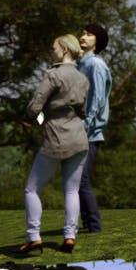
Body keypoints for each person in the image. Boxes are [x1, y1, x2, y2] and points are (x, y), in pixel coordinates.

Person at [19, 34, 91, 255]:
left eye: (53, 48)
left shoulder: (53, 75)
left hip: (55, 139)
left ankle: (34, 237)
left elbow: (34, 109)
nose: (51, 52)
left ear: (64, 49)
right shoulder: (82, 79)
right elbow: (82, 112)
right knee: (71, 191)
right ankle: (69, 237)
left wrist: (34, 120)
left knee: (32, 189)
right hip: (79, 138)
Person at [77, 22, 112, 234]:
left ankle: (94, 227)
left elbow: (97, 100)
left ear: (97, 41)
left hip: (89, 133)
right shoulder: (79, 65)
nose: (83, 36)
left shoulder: (96, 65)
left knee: (81, 180)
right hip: (77, 130)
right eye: (82, 33)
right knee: (75, 181)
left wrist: (84, 126)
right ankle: (87, 224)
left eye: (89, 34)